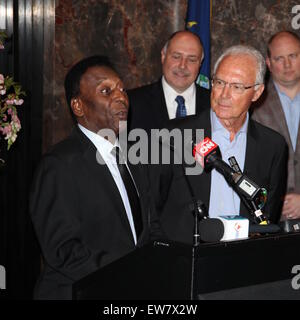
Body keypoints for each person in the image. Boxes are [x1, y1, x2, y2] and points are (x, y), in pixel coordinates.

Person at [29, 55, 160, 299]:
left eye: (122, 89)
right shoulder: (59, 165)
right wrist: (127, 276)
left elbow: (149, 228)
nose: (121, 97)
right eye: (106, 91)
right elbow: (63, 249)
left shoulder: (134, 156)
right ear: (78, 106)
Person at [160, 45, 288, 244]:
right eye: (219, 82)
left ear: (257, 92)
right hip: (183, 260)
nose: (224, 94)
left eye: (237, 86)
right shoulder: (172, 136)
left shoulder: (272, 146)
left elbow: (266, 216)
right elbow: (152, 212)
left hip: (242, 260)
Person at [252, 31, 300, 220]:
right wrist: (277, 200)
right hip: (271, 216)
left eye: (293, 56)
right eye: (279, 58)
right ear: (269, 63)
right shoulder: (254, 103)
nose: (287, 65)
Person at [128, 30, 210, 133]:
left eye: (192, 59)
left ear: (200, 63)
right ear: (163, 56)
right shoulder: (131, 103)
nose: (182, 65)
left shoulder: (214, 104)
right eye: (176, 57)